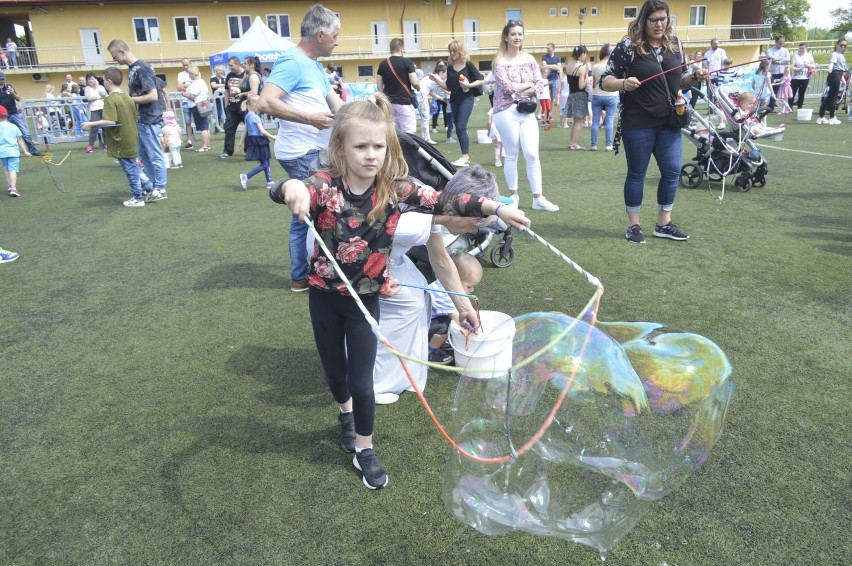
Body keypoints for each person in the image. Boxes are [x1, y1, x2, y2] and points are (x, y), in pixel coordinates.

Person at [270, 93, 530, 489]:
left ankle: (365, 448)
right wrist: (291, 188)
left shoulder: (395, 190)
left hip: (366, 299)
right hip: (325, 296)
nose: (370, 155)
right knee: (335, 374)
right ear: (340, 148)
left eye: (378, 146)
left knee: (361, 379)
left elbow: (447, 199)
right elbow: (290, 186)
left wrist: (495, 210)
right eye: (360, 146)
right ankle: (345, 414)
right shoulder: (325, 186)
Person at [373, 165, 496, 405]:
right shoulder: (419, 207)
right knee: (405, 304)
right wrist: (380, 275)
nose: (474, 229)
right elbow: (368, 237)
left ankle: (405, 372)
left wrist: (464, 307)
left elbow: (440, 259)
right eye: (474, 224)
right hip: (362, 259)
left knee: (421, 298)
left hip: (391, 257)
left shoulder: (432, 209)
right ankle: (376, 381)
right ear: (465, 212)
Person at [601, 0, 708, 244]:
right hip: (637, 123)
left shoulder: (675, 44)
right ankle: (634, 227)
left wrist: (693, 78)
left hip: (669, 122)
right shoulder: (629, 45)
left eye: (663, 19)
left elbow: (676, 81)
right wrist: (623, 83)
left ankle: (664, 223)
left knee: (672, 171)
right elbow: (605, 80)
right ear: (643, 20)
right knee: (637, 173)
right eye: (654, 20)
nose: (659, 24)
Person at [256, 3, 345, 293]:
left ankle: (302, 275)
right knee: (319, 212)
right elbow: (265, 102)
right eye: (335, 35)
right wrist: (311, 119)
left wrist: (367, 114)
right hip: (301, 152)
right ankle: (315, 273)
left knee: (305, 214)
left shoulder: (314, 66)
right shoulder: (292, 61)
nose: (337, 41)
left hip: (313, 150)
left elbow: (338, 106)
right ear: (320, 35)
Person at [490, 20, 559, 212]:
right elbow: (507, 87)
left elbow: (540, 82)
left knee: (532, 154)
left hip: (527, 111)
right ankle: (513, 197)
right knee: (511, 154)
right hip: (506, 111)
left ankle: (538, 197)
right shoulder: (500, 62)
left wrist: (530, 87)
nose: (517, 37)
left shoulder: (529, 59)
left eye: (520, 34)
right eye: (513, 34)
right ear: (506, 37)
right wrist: (527, 87)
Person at [107, 39, 169, 203]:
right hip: (141, 120)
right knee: (145, 156)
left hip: (150, 119)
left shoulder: (142, 68)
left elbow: (153, 96)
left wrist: (128, 100)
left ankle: (161, 188)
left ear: (122, 52)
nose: (114, 60)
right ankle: (154, 188)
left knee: (155, 155)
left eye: (114, 55)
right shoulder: (133, 69)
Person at [81, 66, 145, 207]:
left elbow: (111, 121)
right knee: (134, 166)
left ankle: (138, 197)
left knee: (130, 169)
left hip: (121, 140)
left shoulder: (110, 99)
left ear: (109, 81)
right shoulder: (128, 97)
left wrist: (90, 124)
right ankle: (149, 189)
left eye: (103, 80)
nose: (102, 82)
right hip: (131, 136)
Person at [429, 40, 484, 167]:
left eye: (454, 50)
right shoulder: (449, 67)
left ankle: (465, 156)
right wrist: (436, 79)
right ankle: (464, 156)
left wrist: (469, 85)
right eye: (450, 51)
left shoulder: (468, 64)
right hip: (454, 99)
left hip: (466, 98)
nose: (452, 53)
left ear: (460, 51)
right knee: (458, 127)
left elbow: (481, 79)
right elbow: (448, 87)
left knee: (461, 126)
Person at [427, 253, 483, 364]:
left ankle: (439, 340)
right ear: (456, 279)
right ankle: (430, 352)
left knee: (446, 321)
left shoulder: (443, 283)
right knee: (447, 324)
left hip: (425, 321)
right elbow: (458, 320)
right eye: (469, 286)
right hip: (420, 328)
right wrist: (473, 332)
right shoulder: (445, 295)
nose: (472, 290)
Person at [376, 38, 420, 134]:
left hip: (389, 104)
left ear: (391, 48)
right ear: (401, 48)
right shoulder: (407, 62)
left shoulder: (382, 64)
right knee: (409, 134)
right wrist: (418, 87)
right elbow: (414, 82)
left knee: (393, 135)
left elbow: (379, 87)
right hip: (404, 102)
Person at [237, 95, 276, 190]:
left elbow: (245, 130)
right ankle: (246, 176)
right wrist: (273, 136)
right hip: (259, 140)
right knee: (265, 163)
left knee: (265, 161)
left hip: (253, 140)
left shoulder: (247, 116)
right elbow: (262, 131)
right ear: (255, 105)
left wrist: (241, 142)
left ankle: (269, 181)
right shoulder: (255, 117)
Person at [0, 73, 40, 156]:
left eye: (3, 78)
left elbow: (18, 99)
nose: (2, 80)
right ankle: (8, 151)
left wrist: (12, 93)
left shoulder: (9, 87)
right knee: (4, 133)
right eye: (1, 79)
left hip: (14, 113)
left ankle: (33, 150)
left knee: (25, 132)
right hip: (2, 116)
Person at [590, 43, 619, 151]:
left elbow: (593, 82)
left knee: (595, 121)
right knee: (610, 120)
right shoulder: (614, 66)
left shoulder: (595, 66)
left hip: (597, 94)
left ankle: (593, 144)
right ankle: (608, 145)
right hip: (611, 95)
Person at [218, 57, 246, 159]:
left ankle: (248, 151)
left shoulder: (246, 75)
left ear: (238, 64)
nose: (230, 68)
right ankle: (227, 151)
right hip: (232, 108)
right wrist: (226, 106)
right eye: (229, 66)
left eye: (231, 65)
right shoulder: (229, 75)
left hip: (244, 107)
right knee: (229, 129)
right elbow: (226, 91)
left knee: (248, 130)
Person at [0, 104, 30, 197]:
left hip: (2, 151)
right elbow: (20, 139)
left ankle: (9, 186)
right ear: (7, 115)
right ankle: (13, 188)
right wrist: (25, 151)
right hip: (12, 151)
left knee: (6, 168)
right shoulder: (13, 126)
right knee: (13, 169)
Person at [563, 45, 590, 150]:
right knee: (579, 121)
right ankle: (574, 144)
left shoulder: (568, 65)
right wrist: (587, 81)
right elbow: (581, 85)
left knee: (575, 121)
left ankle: (572, 143)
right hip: (579, 95)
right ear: (583, 54)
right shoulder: (582, 68)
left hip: (571, 94)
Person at [817, 39, 848, 126]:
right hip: (834, 75)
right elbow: (832, 64)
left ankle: (821, 117)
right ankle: (832, 117)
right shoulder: (834, 54)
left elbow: (840, 68)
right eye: (841, 45)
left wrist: (843, 79)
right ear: (836, 44)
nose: (842, 47)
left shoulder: (841, 55)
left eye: (844, 46)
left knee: (829, 97)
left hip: (838, 75)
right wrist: (830, 67)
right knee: (833, 97)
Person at [181, 65, 211, 152]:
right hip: (204, 104)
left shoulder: (195, 84)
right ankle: (207, 144)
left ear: (192, 74)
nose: (189, 76)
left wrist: (185, 94)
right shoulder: (202, 82)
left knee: (202, 127)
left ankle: (205, 146)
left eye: (189, 74)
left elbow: (192, 97)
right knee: (206, 126)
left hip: (197, 105)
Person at [428, 62, 453, 141]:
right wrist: (449, 92)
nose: (446, 75)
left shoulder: (437, 77)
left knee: (446, 112)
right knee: (430, 115)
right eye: (445, 73)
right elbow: (443, 88)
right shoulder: (437, 78)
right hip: (426, 96)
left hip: (441, 97)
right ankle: (428, 135)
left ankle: (427, 138)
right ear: (441, 72)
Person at [83, 73, 107, 152]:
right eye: (89, 79)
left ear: (96, 79)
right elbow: (89, 97)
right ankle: (90, 146)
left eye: (93, 79)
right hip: (93, 110)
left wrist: (97, 86)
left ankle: (106, 144)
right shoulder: (87, 88)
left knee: (105, 128)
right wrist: (99, 96)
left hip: (103, 109)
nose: (91, 80)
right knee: (94, 129)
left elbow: (105, 94)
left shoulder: (100, 87)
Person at [766, 36, 789, 112]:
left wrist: (778, 61)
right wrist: (780, 59)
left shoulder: (785, 50)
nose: (781, 44)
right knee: (771, 89)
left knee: (779, 90)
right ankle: (769, 105)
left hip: (781, 72)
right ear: (776, 42)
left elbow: (787, 59)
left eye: (783, 43)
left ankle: (774, 106)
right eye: (780, 43)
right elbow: (771, 59)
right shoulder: (770, 50)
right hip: (773, 73)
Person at [790, 42, 815, 110]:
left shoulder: (809, 56)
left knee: (802, 93)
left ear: (806, 48)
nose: (801, 50)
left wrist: (808, 65)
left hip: (805, 77)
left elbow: (813, 65)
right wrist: (798, 69)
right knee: (792, 92)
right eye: (800, 48)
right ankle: (790, 107)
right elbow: (791, 67)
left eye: (803, 48)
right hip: (796, 77)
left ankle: (800, 107)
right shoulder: (795, 56)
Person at [704, 38, 727, 103]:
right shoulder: (707, 53)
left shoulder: (722, 51)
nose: (716, 45)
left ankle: (720, 107)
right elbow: (705, 65)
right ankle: (711, 109)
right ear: (711, 44)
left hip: (720, 75)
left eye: (717, 43)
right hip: (710, 76)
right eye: (714, 44)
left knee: (720, 92)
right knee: (710, 93)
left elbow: (725, 62)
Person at [541, 43, 561, 114]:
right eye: (547, 48)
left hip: (554, 80)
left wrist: (548, 66)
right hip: (546, 80)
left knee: (552, 97)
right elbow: (544, 66)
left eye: (548, 48)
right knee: (544, 97)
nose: (547, 49)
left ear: (553, 49)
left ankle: (550, 113)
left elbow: (558, 68)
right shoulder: (544, 57)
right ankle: (542, 113)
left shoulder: (557, 58)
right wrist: (553, 66)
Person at [209, 65, 227, 134]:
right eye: (220, 70)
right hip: (216, 99)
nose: (221, 72)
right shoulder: (213, 78)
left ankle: (227, 127)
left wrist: (219, 85)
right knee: (218, 114)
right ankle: (217, 129)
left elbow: (227, 85)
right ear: (216, 71)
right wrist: (223, 85)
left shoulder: (224, 78)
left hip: (224, 98)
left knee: (227, 113)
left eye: (222, 70)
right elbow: (213, 85)